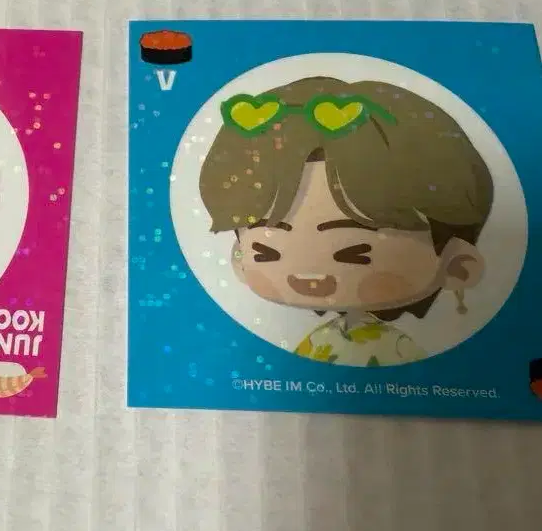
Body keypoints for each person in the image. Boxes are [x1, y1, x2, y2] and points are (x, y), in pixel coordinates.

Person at [199, 76, 494, 367]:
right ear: (239, 258)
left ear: (459, 266)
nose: (308, 274)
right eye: (266, 252)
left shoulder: (399, 352)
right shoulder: (309, 344)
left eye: (354, 254)